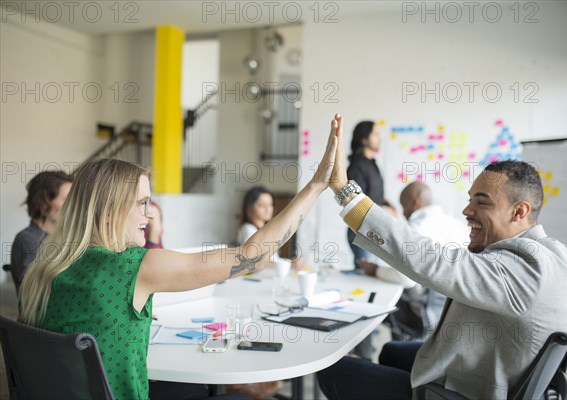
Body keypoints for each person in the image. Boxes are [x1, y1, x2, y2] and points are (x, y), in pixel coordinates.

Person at [18, 115, 339, 400]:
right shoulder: (132, 267)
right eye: (142, 203)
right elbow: (250, 257)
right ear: (108, 210)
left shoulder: (47, 266)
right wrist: (315, 186)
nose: (151, 213)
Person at [318, 115, 567, 400]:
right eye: (470, 199)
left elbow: (433, 261)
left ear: (519, 212)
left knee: (332, 369)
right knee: (391, 350)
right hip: (499, 361)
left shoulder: (526, 271)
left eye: (482, 202)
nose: (467, 211)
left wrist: (346, 194)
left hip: (470, 390)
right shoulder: (554, 253)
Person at [361, 182, 469, 339]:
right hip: (457, 308)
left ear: (415, 202)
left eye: (404, 206)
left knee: (375, 302)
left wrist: (375, 270)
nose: (403, 213)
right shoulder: (457, 224)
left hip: (426, 311)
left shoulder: (415, 228)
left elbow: (405, 279)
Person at [10, 170, 73, 294]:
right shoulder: (26, 240)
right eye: (66, 200)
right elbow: (40, 292)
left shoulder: (64, 237)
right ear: (44, 203)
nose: (73, 206)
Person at [346, 120, 397, 270]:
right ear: (364, 139)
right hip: (363, 232)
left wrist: (389, 205)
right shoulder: (356, 166)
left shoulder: (372, 163)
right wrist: (385, 210)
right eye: (375, 134)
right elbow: (357, 201)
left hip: (375, 230)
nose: (379, 138)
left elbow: (374, 193)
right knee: (365, 275)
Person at [238, 186, 301, 268]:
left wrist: (289, 262)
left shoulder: (266, 230)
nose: (268, 209)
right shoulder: (248, 229)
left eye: (270, 204)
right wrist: (289, 264)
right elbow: (254, 263)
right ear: (250, 208)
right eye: (262, 205)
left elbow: (273, 259)